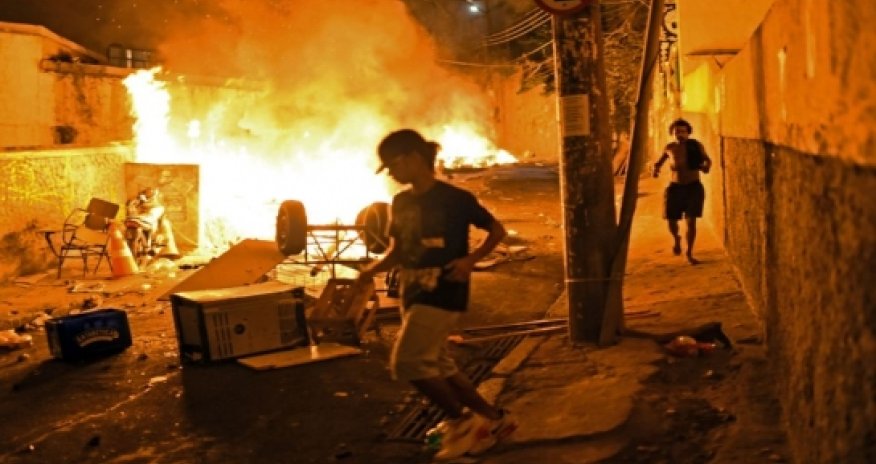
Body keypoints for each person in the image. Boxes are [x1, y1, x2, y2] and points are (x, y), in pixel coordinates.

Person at [356, 129, 517, 460]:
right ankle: (494, 420)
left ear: (415, 158)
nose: (393, 174)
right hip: (412, 292)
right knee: (438, 364)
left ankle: (462, 422)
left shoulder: (456, 200)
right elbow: (398, 250)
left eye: (394, 165)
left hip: (445, 291)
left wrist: (471, 260)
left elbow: (496, 230)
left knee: (407, 362)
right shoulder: (400, 203)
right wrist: (370, 272)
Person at [652, 118, 712, 264]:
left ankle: (689, 252)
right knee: (671, 220)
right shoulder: (669, 148)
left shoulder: (696, 146)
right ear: (672, 133)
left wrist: (706, 167)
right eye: (677, 131)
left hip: (693, 187)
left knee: (691, 221)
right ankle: (676, 238)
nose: (680, 134)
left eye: (683, 131)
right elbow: (658, 163)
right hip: (675, 187)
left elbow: (707, 160)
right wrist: (655, 169)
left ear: (688, 133)